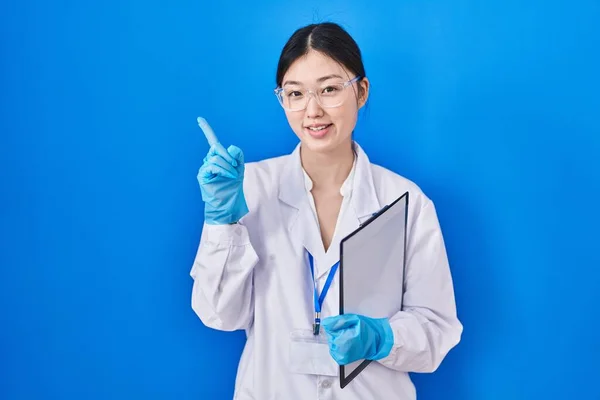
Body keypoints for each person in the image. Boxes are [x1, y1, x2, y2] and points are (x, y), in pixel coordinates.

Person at [190, 22, 463, 400]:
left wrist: (383, 337)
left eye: (330, 89)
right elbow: (219, 314)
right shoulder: (249, 189)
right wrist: (222, 223)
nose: (312, 110)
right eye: (295, 94)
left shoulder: (404, 201)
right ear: (282, 100)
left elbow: (436, 329)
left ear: (361, 91)